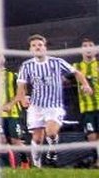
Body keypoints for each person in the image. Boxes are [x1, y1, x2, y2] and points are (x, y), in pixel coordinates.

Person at [7, 34, 93, 168]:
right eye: (34, 45)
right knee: (37, 139)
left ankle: (52, 151)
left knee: (52, 133)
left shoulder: (56, 62)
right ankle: (37, 165)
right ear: (30, 49)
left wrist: (85, 84)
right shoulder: (27, 66)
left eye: (40, 45)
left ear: (45, 48)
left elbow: (77, 73)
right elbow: (21, 86)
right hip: (36, 106)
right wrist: (22, 98)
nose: (37, 47)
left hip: (54, 105)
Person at [0, 54, 28, 168]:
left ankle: (25, 162)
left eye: (0, 56)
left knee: (15, 142)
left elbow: (21, 93)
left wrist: (11, 104)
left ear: (4, 60)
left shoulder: (13, 75)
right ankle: (3, 167)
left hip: (13, 114)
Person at [74, 37, 99, 167]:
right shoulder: (76, 67)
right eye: (85, 45)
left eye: (90, 45)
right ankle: (96, 159)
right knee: (92, 137)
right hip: (86, 109)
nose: (88, 47)